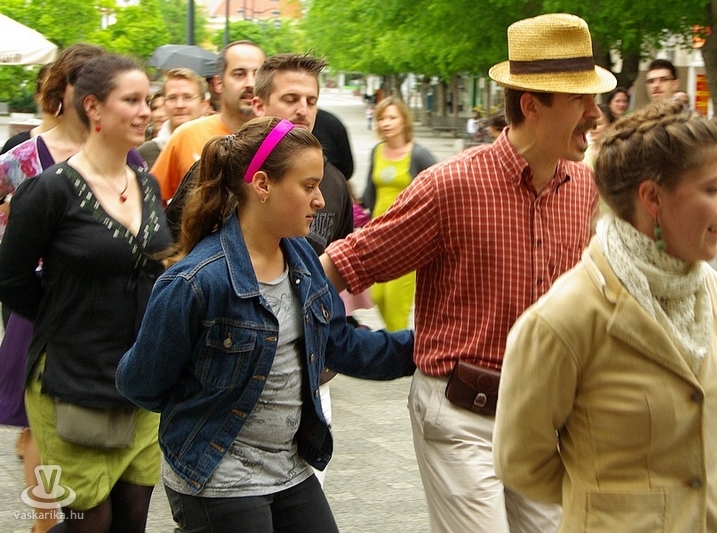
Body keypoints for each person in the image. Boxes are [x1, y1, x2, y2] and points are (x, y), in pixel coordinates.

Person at [321, 14, 615, 533]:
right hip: (460, 416)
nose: (596, 113)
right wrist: (292, 340)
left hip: (544, 421)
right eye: (581, 99)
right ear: (531, 105)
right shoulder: (450, 186)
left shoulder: (585, 191)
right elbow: (343, 264)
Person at [495, 98, 717, 532]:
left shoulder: (711, 291)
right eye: (714, 189)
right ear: (652, 197)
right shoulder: (564, 318)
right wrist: (613, 505)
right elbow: (521, 462)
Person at [116, 116, 415, 533]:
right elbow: (141, 383)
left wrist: (425, 349)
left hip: (290, 468)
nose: (320, 200)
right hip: (216, 477)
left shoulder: (303, 258)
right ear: (262, 185)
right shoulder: (197, 281)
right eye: (308, 186)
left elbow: (339, 344)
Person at [0, 53, 172, 533]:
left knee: (133, 519)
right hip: (72, 384)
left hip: (138, 382)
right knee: (89, 522)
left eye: (148, 100)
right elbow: (10, 278)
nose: (145, 111)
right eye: (131, 100)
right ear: (93, 107)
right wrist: (66, 318)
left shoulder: (146, 182)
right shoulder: (49, 189)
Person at [0, 43, 107, 533]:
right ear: (61, 92)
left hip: (101, 305)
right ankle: (44, 525)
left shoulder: (122, 155)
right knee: (40, 422)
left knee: (91, 420)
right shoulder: (22, 157)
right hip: (39, 302)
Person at [250, 52, 355, 485]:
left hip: (311, 374)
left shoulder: (334, 183)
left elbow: (342, 263)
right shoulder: (222, 172)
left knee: (308, 497)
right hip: (240, 375)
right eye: (290, 98)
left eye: (310, 100)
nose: (302, 110)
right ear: (259, 105)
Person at [150, 40, 266, 203]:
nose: (250, 84)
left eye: (257, 74)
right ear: (218, 83)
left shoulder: (281, 140)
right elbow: (151, 201)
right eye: (239, 74)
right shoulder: (187, 135)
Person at [360, 96, 435, 332]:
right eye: (381, 118)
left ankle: (401, 349)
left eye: (392, 117)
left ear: (404, 121)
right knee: (378, 295)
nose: (386, 123)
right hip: (379, 236)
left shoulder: (419, 155)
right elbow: (370, 192)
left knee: (395, 305)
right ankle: (398, 342)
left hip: (407, 240)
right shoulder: (377, 151)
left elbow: (439, 188)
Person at [137, 67, 208, 168]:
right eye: (172, 98)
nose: (179, 105)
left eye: (187, 97)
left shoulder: (219, 148)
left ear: (204, 105)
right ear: (164, 105)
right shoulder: (146, 153)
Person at [1, 64, 59, 155]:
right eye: (52, 90)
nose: (59, 97)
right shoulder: (16, 145)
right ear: (38, 96)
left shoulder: (82, 150)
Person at [312, 107, 355, 180]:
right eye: (292, 101)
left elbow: (346, 169)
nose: (303, 111)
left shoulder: (332, 124)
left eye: (311, 103)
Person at [583, 103, 615, 168]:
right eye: (590, 123)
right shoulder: (584, 149)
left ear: (611, 125)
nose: (593, 128)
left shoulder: (616, 152)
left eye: (599, 124)